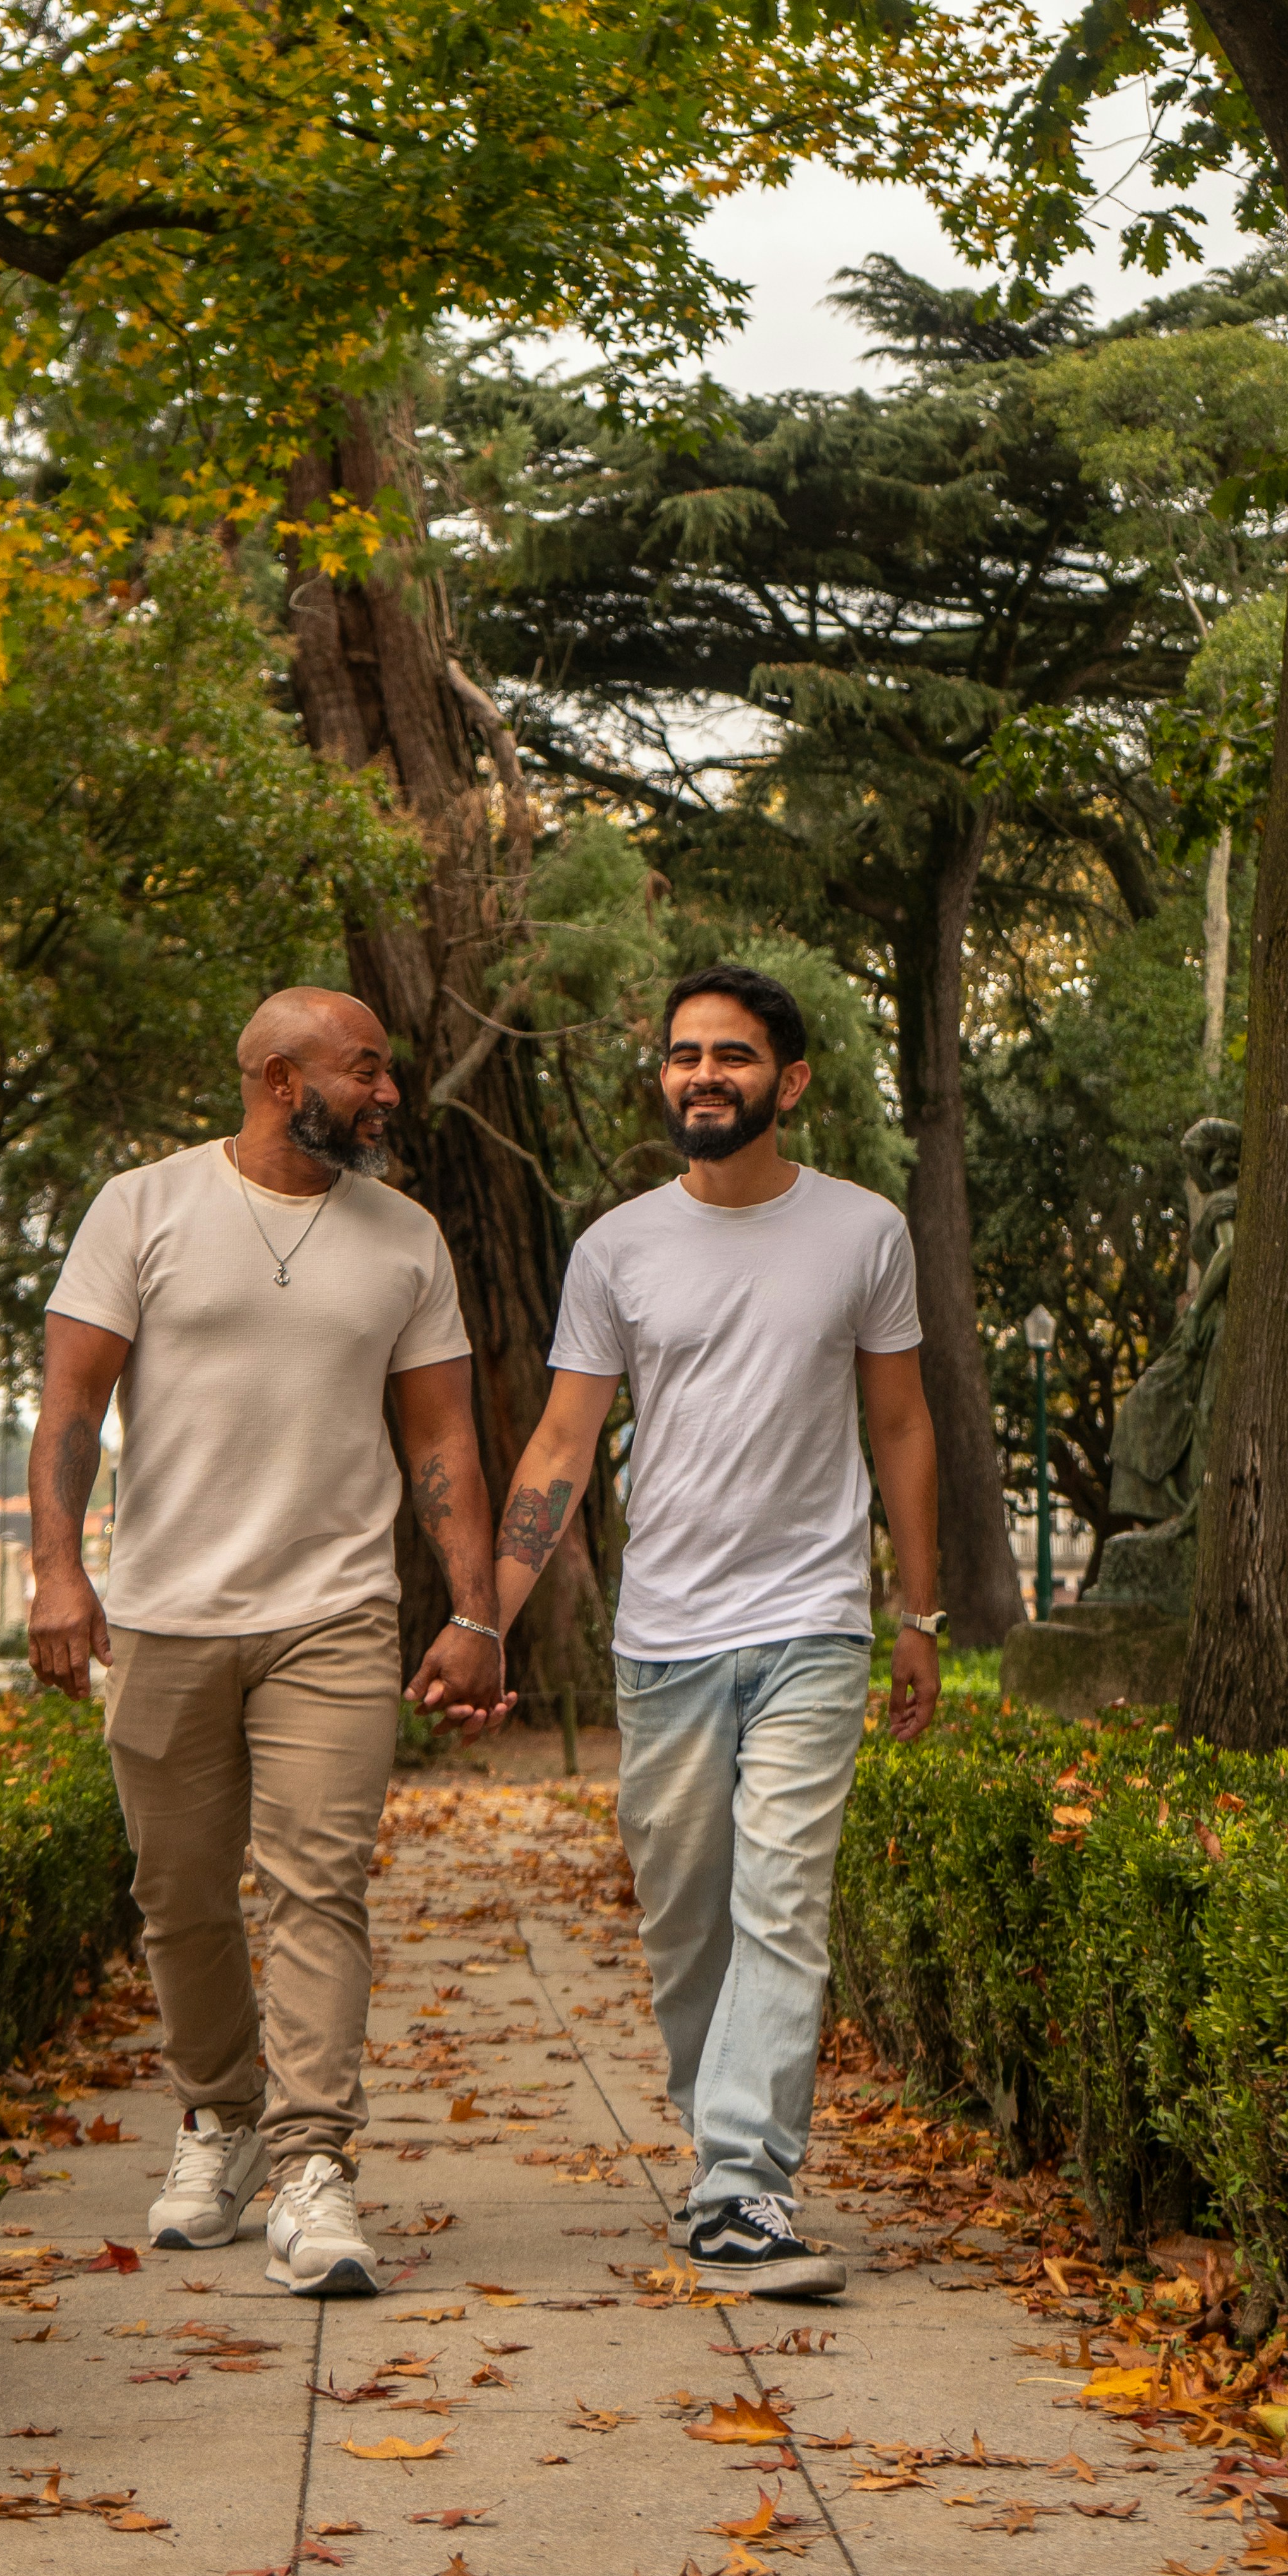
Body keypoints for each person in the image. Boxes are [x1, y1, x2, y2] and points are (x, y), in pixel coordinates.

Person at [27, 987, 509, 2297]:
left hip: (334, 1614)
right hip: (165, 1611)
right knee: (178, 1897)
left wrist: (475, 1613)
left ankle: (312, 2166)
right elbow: (72, 1399)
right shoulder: (143, 1206)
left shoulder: (405, 1239)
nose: (387, 1092)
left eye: (387, 1072)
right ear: (277, 1074)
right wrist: (59, 1571)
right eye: (364, 1071)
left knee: (315, 1885)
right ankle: (217, 2117)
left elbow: (441, 1441)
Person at [494, 963, 942, 2301]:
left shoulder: (862, 1231)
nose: (703, 1075)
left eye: (732, 1057)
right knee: (685, 1921)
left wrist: (914, 1613)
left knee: (782, 1902)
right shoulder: (615, 1248)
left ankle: (745, 2177)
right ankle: (718, 2155)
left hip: (811, 1621)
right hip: (666, 1636)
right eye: (684, 1054)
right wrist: (485, 1614)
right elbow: (564, 1440)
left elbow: (903, 1426)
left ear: (787, 1082)